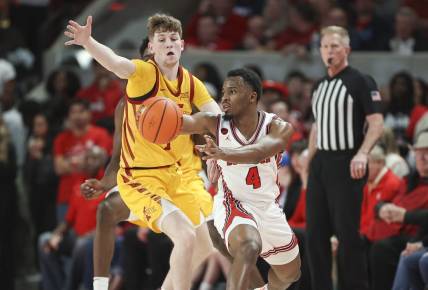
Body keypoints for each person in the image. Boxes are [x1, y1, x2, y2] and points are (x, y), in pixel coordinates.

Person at [65, 13, 222, 290]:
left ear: (183, 45)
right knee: (184, 237)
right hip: (141, 179)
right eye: (161, 40)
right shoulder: (143, 73)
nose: (168, 44)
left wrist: (241, 134)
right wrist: (89, 43)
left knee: (207, 243)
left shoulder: (190, 83)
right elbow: (116, 63)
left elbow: (216, 116)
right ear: (151, 47)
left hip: (178, 177)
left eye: (173, 39)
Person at [179, 68, 301, 290]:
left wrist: (222, 154)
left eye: (232, 91)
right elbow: (179, 123)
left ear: (252, 96)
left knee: (290, 274)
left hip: (267, 207)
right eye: (224, 92)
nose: (224, 97)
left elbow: (260, 151)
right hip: (233, 203)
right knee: (248, 246)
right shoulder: (213, 123)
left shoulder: (278, 127)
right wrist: (152, 112)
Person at [304, 26, 384, 290]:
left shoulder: (361, 81)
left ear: (347, 50)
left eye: (335, 46)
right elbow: (318, 126)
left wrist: (363, 153)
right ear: (320, 51)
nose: (330, 51)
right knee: (315, 236)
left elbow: (376, 123)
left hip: (347, 162)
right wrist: (308, 158)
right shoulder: (319, 86)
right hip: (320, 164)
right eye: (325, 46)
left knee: (347, 236)